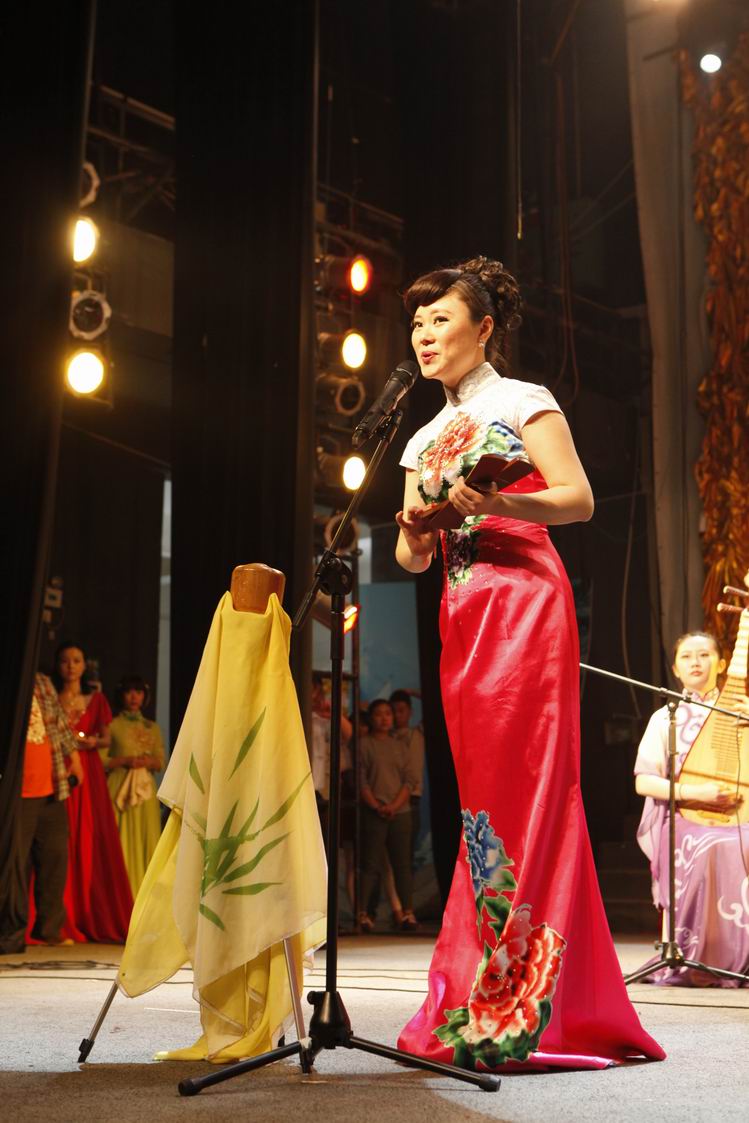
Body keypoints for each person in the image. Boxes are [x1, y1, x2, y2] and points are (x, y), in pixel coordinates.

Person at [393, 255, 664, 1071]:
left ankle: (530, 993)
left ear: (483, 328)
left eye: (440, 320)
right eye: (416, 323)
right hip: (462, 613)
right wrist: (414, 531)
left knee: (536, 786)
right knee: (482, 800)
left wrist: (496, 501)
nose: (424, 335)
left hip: (524, 602)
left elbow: (576, 498)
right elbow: (409, 558)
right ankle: (490, 971)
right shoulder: (420, 437)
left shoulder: (523, 400)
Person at [634, 631, 749, 986]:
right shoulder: (664, 719)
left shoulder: (740, 711)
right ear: (675, 669)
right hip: (685, 818)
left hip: (740, 816)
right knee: (715, 845)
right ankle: (701, 955)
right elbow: (644, 782)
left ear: (723, 664)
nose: (695, 663)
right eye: (686, 657)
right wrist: (695, 791)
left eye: (704, 655)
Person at [50, 642, 133, 943]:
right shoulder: (51, 697)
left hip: (89, 772)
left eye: (76, 660)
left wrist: (90, 742)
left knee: (88, 835)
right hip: (60, 769)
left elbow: (106, 739)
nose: (70, 666)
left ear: (85, 665)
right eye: (65, 661)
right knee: (60, 838)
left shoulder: (96, 699)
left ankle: (88, 911)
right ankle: (58, 915)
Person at [0, 674, 83, 952]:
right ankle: (12, 930)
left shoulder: (42, 683)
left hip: (51, 787)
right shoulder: (10, 677)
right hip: (17, 792)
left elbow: (58, 723)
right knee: (15, 863)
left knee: (55, 858)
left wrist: (75, 757)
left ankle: (49, 929)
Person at [358, 699, 418, 932]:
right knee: (370, 865)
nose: (384, 719)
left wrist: (394, 805)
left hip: (400, 812)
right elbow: (361, 780)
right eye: (378, 714)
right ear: (371, 718)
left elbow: (409, 780)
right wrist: (376, 806)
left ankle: (408, 913)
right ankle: (363, 914)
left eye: (388, 714)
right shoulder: (364, 745)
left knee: (402, 865)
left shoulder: (400, 746)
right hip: (374, 811)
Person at [104, 675, 165, 897]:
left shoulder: (152, 727)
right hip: (119, 788)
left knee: (146, 837)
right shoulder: (112, 725)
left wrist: (148, 761)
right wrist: (125, 760)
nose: (134, 697)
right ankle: (120, 893)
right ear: (121, 695)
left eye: (138, 692)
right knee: (121, 840)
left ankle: (145, 895)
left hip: (145, 791)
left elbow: (160, 760)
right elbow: (101, 760)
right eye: (129, 692)